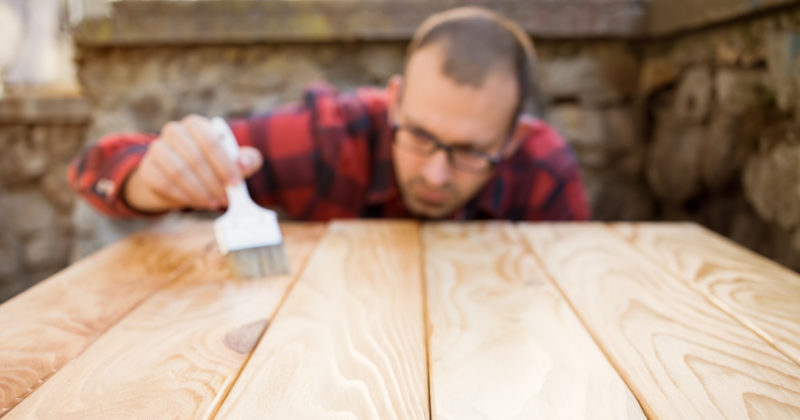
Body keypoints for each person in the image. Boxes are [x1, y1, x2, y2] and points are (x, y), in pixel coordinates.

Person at [69, 7, 590, 222]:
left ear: (516, 137)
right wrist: (148, 179)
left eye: (472, 151)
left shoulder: (546, 173)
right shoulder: (330, 139)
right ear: (395, 100)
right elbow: (98, 164)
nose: (435, 173)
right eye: (420, 135)